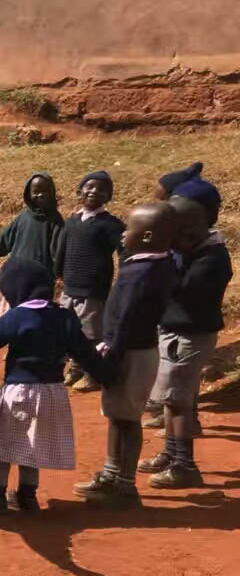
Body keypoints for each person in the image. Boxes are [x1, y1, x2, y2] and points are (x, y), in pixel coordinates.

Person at [0, 257, 109, 514]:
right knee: (33, 443)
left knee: (3, 443)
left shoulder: (17, 316)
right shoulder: (64, 317)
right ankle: (27, 496)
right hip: (52, 392)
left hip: (19, 390)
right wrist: (107, 374)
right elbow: (85, 354)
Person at [74, 203, 178, 507]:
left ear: (146, 236)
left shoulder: (141, 273)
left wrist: (108, 359)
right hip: (136, 351)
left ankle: (125, 486)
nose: (122, 235)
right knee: (119, 417)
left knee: (127, 420)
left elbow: (124, 321)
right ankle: (111, 475)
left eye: (128, 229)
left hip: (129, 354)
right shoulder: (158, 263)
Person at [139, 185, 230, 489]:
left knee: (178, 402)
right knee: (172, 399)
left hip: (190, 336)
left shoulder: (213, 258)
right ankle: (171, 453)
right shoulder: (190, 251)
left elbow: (181, 291)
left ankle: (184, 465)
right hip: (176, 333)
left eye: (178, 231)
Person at [55, 171, 126, 389]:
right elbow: (61, 250)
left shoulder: (111, 224)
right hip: (69, 288)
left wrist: (125, 277)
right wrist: (59, 272)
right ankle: (75, 369)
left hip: (93, 291)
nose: (94, 191)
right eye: (89, 187)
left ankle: (92, 374)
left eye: (102, 189)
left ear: (109, 197)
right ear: (79, 192)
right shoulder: (71, 222)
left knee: (91, 334)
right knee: (67, 331)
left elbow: (124, 251)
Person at [0, 172, 65, 317]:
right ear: (28, 194)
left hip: (38, 282)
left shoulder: (56, 221)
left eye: (45, 191)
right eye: (36, 191)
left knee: (33, 320)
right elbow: (4, 239)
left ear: (52, 192)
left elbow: (58, 252)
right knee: (9, 318)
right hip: (16, 278)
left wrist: (61, 272)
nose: (40, 195)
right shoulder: (23, 217)